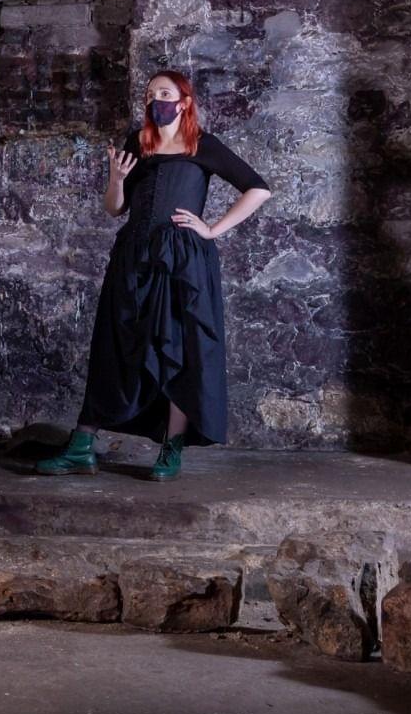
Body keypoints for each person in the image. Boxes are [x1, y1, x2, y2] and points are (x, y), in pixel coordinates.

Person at [39, 70, 272, 481]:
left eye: (164, 93)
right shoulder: (137, 144)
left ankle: (172, 447)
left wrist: (212, 228)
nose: (155, 100)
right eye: (150, 94)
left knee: (179, 350)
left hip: (182, 262)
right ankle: (81, 446)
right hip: (133, 257)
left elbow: (258, 188)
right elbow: (115, 209)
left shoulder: (204, 146)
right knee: (115, 344)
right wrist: (116, 179)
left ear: (183, 101)